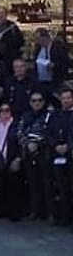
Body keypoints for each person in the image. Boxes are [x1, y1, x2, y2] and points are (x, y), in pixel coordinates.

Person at [19, 91, 55, 221]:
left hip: (44, 153)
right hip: (29, 153)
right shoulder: (25, 116)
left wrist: (37, 143)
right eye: (34, 100)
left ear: (43, 102)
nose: (37, 103)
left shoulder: (49, 116)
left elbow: (50, 132)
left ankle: (50, 212)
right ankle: (35, 211)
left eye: (39, 100)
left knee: (47, 183)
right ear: (30, 103)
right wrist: (28, 144)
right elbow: (20, 132)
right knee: (33, 183)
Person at [50, 86, 73, 226]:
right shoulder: (55, 115)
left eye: (69, 98)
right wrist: (56, 146)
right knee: (62, 187)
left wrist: (69, 146)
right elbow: (49, 133)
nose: (66, 101)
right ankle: (65, 217)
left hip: (71, 154)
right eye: (63, 98)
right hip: (57, 155)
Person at [32, 28, 69, 97]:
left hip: (55, 81)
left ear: (44, 38)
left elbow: (66, 62)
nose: (37, 41)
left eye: (38, 38)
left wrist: (55, 65)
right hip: (41, 81)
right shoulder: (38, 48)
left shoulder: (58, 47)